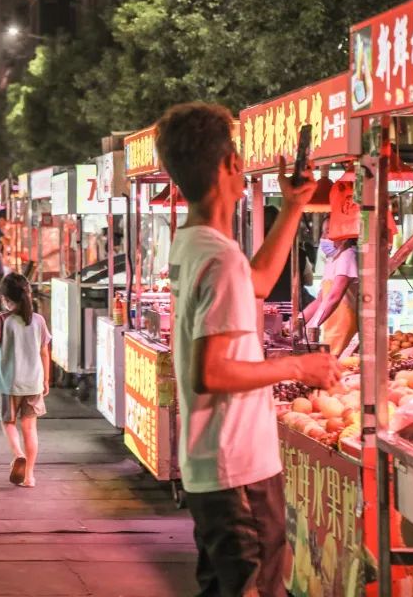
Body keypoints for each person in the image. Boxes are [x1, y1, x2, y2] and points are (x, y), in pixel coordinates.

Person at [155, 103, 341, 596]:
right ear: (232, 165)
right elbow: (210, 373)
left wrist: (295, 205)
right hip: (236, 468)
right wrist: (299, 365)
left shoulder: (194, 243)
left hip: (209, 464)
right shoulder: (217, 258)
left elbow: (255, 282)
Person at [0, 273, 50, 488]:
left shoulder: (3, 319)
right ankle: (29, 476)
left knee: (8, 422)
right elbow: (44, 353)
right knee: (30, 429)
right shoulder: (39, 321)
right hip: (34, 383)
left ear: (4, 298)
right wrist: (46, 380)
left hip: (9, 384)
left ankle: (18, 453)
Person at [301, 219, 358, 356]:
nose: (323, 238)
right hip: (332, 325)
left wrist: (312, 325)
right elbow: (321, 300)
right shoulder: (332, 259)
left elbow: (334, 297)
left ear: (343, 236)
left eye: (327, 232)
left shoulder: (347, 256)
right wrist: (298, 321)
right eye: (322, 233)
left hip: (345, 327)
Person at [262, 205, 314, 306]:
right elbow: (309, 281)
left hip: (263, 309)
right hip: (291, 309)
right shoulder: (299, 254)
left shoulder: (255, 254)